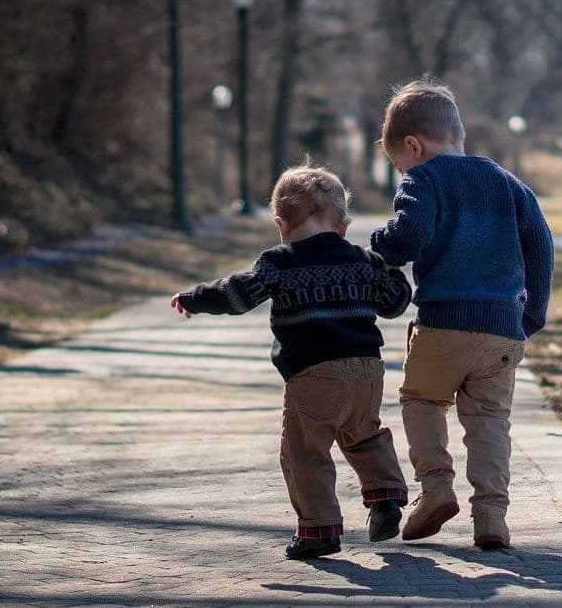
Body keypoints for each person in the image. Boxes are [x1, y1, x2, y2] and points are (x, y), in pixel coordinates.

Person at [170, 165, 413, 560]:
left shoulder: (278, 262)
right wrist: (393, 269)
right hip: (367, 371)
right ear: (343, 226)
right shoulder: (362, 260)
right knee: (365, 435)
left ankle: (319, 529)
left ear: (281, 223)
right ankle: (386, 498)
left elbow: (238, 295)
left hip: (314, 373)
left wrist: (196, 298)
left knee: (304, 452)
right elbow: (395, 303)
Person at [370, 78, 553, 550]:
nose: (400, 171)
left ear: (414, 146)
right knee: (490, 420)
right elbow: (541, 245)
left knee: (422, 402)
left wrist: (380, 244)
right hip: (502, 330)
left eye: (397, 163)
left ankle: (435, 489)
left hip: (442, 323)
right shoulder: (509, 183)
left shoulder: (423, 178)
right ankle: (491, 515)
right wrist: (533, 313)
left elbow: (408, 237)